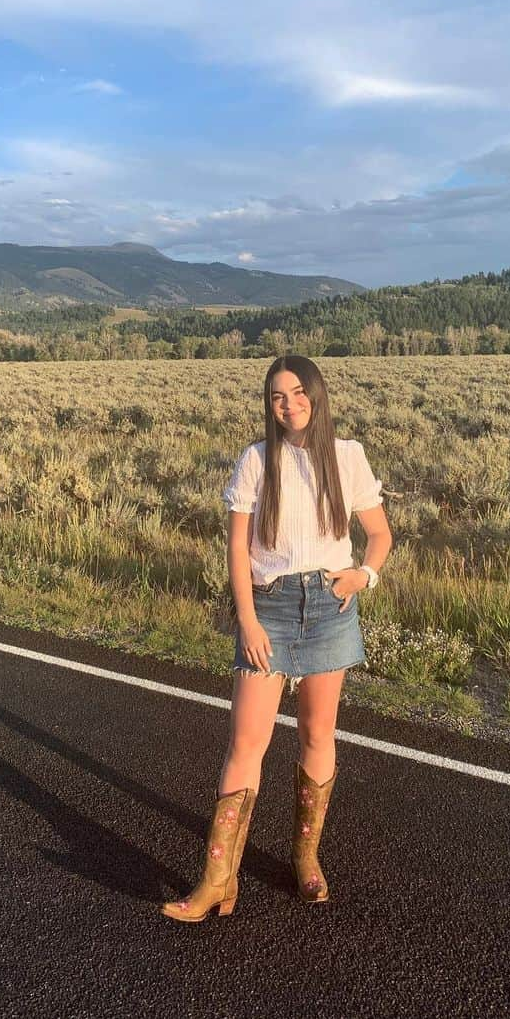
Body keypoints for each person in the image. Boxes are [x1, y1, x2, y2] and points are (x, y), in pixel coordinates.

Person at [162, 354, 393, 922]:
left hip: (332, 606)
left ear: (316, 393)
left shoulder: (348, 457)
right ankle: (218, 878)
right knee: (246, 743)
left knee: (317, 734)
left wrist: (365, 574)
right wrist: (247, 619)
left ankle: (305, 856)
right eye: (276, 397)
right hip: (271, 606)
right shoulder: (257, 460)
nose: (288, 405)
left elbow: (380, 533)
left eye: (296, 393)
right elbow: (237, 549)